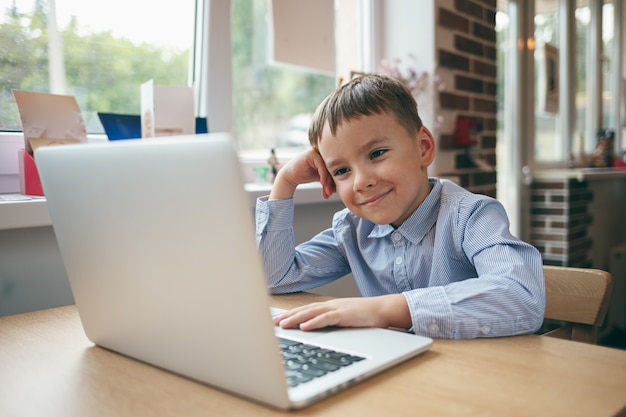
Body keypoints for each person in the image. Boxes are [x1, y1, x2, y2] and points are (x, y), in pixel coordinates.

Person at [255, 74, 545, 339]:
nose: (361, 182)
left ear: (423, 147)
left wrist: (385, 309)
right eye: (341, 171)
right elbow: (274, 278)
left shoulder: (471, 216)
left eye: (377, 153)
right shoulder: (352, 230)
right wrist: (285, 181)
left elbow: (521, 295)